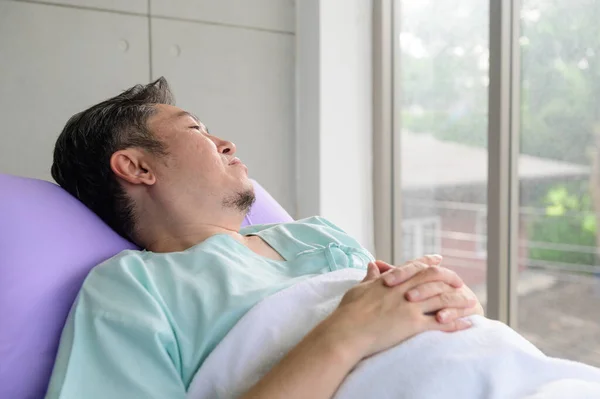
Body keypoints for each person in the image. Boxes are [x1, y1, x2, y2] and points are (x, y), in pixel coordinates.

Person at [45, 78, 483, 399]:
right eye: (196, 129)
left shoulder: (315, 232)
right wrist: (347, 331)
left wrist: (449, 304)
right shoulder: (132, 287)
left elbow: (406, 325)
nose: (227, 142)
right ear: (138, 168)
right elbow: (367, 323)